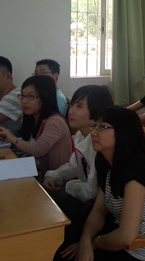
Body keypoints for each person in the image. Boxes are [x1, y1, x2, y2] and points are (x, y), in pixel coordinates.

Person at [60, 106, 145, 261]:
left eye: (103, 127)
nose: (94, 133)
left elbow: (126, 237)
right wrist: (85, 241)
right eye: (95, 126)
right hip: (115, 236)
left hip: (141, 251)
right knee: (64, 236)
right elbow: (99, 210)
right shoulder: (105, 160)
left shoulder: (136, 170)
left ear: (124, 133)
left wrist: (94, 243)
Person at [43, 85, 114, 249]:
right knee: (44, 192)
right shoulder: (81, 137)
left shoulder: (99, 145)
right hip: (86, 203)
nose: (71, 111)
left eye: (79, 106)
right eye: (73, 104)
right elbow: (73, 166)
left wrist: (67, 186)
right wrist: (53, 175)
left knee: (50, 207)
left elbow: (91, 191)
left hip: (98, 213)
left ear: (97, 113)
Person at [0, 75, 72, 177]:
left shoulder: (55, 121)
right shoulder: (32, 118)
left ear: (45, 98)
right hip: (35, 174)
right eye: (22, 96)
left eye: (31, 96)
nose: (24, 101)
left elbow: (38, 149)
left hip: (52, 181)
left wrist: (13, 139)